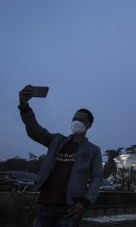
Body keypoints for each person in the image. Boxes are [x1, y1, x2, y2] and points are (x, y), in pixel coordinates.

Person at [18, 85, 103, 227]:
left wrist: (85, 202)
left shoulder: (93, 150)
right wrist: (24, 106)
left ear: (88, 125)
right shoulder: (57, 141)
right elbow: (35, 131)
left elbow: (97, 178)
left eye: (80, 119)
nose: (76, 122)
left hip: (69, 208)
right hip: (44, 203)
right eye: (74, 118)